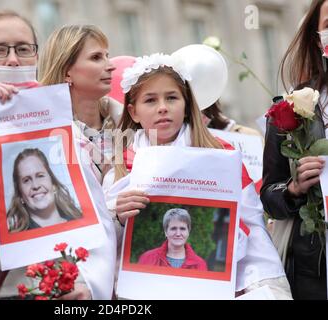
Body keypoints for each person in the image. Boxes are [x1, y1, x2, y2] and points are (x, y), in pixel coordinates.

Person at [0, 16, 114, 299]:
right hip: (10, 291)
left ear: (35, 57)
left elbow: (91, 218)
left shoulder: (62, 124)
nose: (13, 60)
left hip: (72, 289)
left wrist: (91, 285)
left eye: (24, 49)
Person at [103, 52, 291, 299]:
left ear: (187, 104)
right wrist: (116, 215)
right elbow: (103, 247)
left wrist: (262, 283)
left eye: (171, 98)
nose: (162, 108)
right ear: (133, 111)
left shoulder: (221, 154)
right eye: (150, 100)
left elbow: (252, 225)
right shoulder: (120, 166)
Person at [261, 0, 328, 300]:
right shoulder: (293, 108)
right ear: (317, 38)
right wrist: (294, 188)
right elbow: (269, 195)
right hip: (316, 272)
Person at [38, 24, 123, 183]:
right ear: (66, 72)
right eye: (96, 57)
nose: (111, 66)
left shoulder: (134, 125)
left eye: (107, 56)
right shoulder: (45, 137)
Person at [7, 148, 81, 232]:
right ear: (20, 194)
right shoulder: (16, 239)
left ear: (53, 183)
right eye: (26, 180)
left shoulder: (80, 220)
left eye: (40, 176)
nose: (35, 185)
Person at [138, 208, 207, 270]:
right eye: (173, 228)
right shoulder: (147, 258)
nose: (178, 234)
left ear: (188, 232)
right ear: (166, 232)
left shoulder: (200, 264)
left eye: (182, 229)